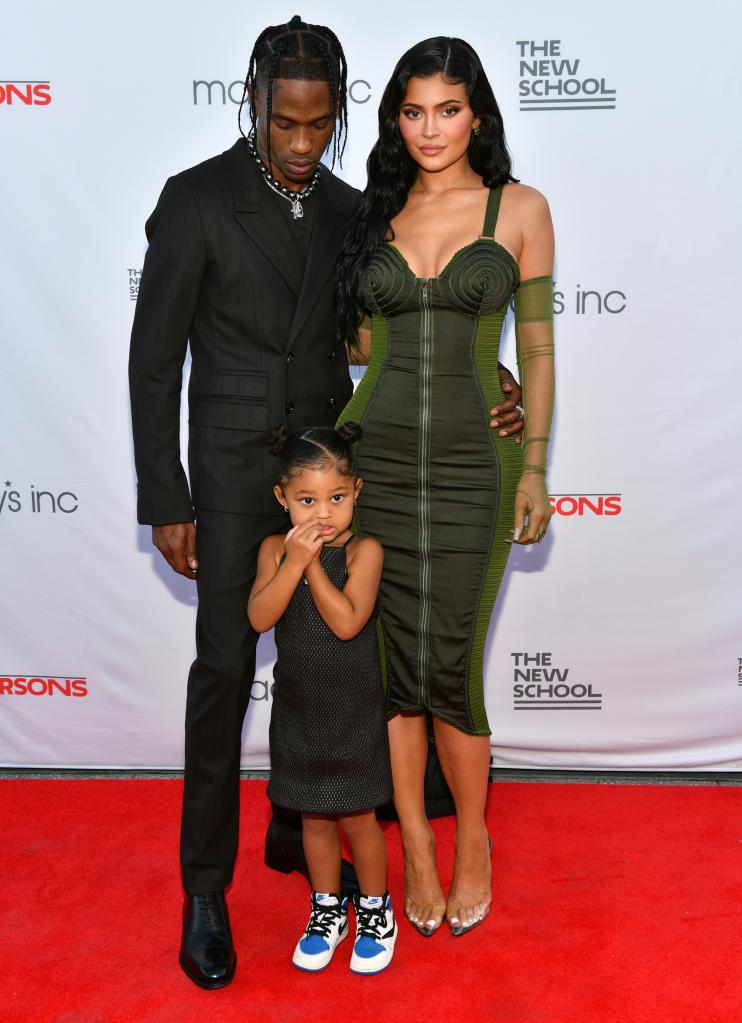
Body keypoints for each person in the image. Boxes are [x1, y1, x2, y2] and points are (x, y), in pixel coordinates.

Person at [129, 17, 524, 988]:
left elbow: (370, 339)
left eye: (317, 126)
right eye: (283, 124)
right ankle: (204, 892)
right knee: (224, 672)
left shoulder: (355, 210)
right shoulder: (194, 202)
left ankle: (310, 824)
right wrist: (164, 494)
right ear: (253, 103)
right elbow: (153, 358)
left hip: (336, 478)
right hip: (225, 480)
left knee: (343, 664)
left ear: (339, 115)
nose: (301, 145)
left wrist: (493, 376)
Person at [336, 37, 555, 938]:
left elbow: (537, 346)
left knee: (454, 662)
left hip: (478, 466)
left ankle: (473, 836)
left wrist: (535, 458)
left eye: (449, 109)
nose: (431, 129)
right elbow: (356, 344)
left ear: (479, 115)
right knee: (392, 669)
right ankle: (415, 843)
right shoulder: (370, 216)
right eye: (414, 111)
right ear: (396, 118)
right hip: (373, 458)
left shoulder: (521, 209)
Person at [248, 423, 396, 974]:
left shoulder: (365, 550)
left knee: (360, 819)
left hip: (353, 709)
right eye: (306, 500)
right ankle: (327, 909)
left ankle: (377, 911)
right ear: (281, 498)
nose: (322, 514)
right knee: (313, 819)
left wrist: (309, 564)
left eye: (336, 498)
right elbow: (260, 617)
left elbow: (347, 623)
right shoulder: (272, 549)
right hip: (300, 710)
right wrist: (290, 562)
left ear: (356, 491)